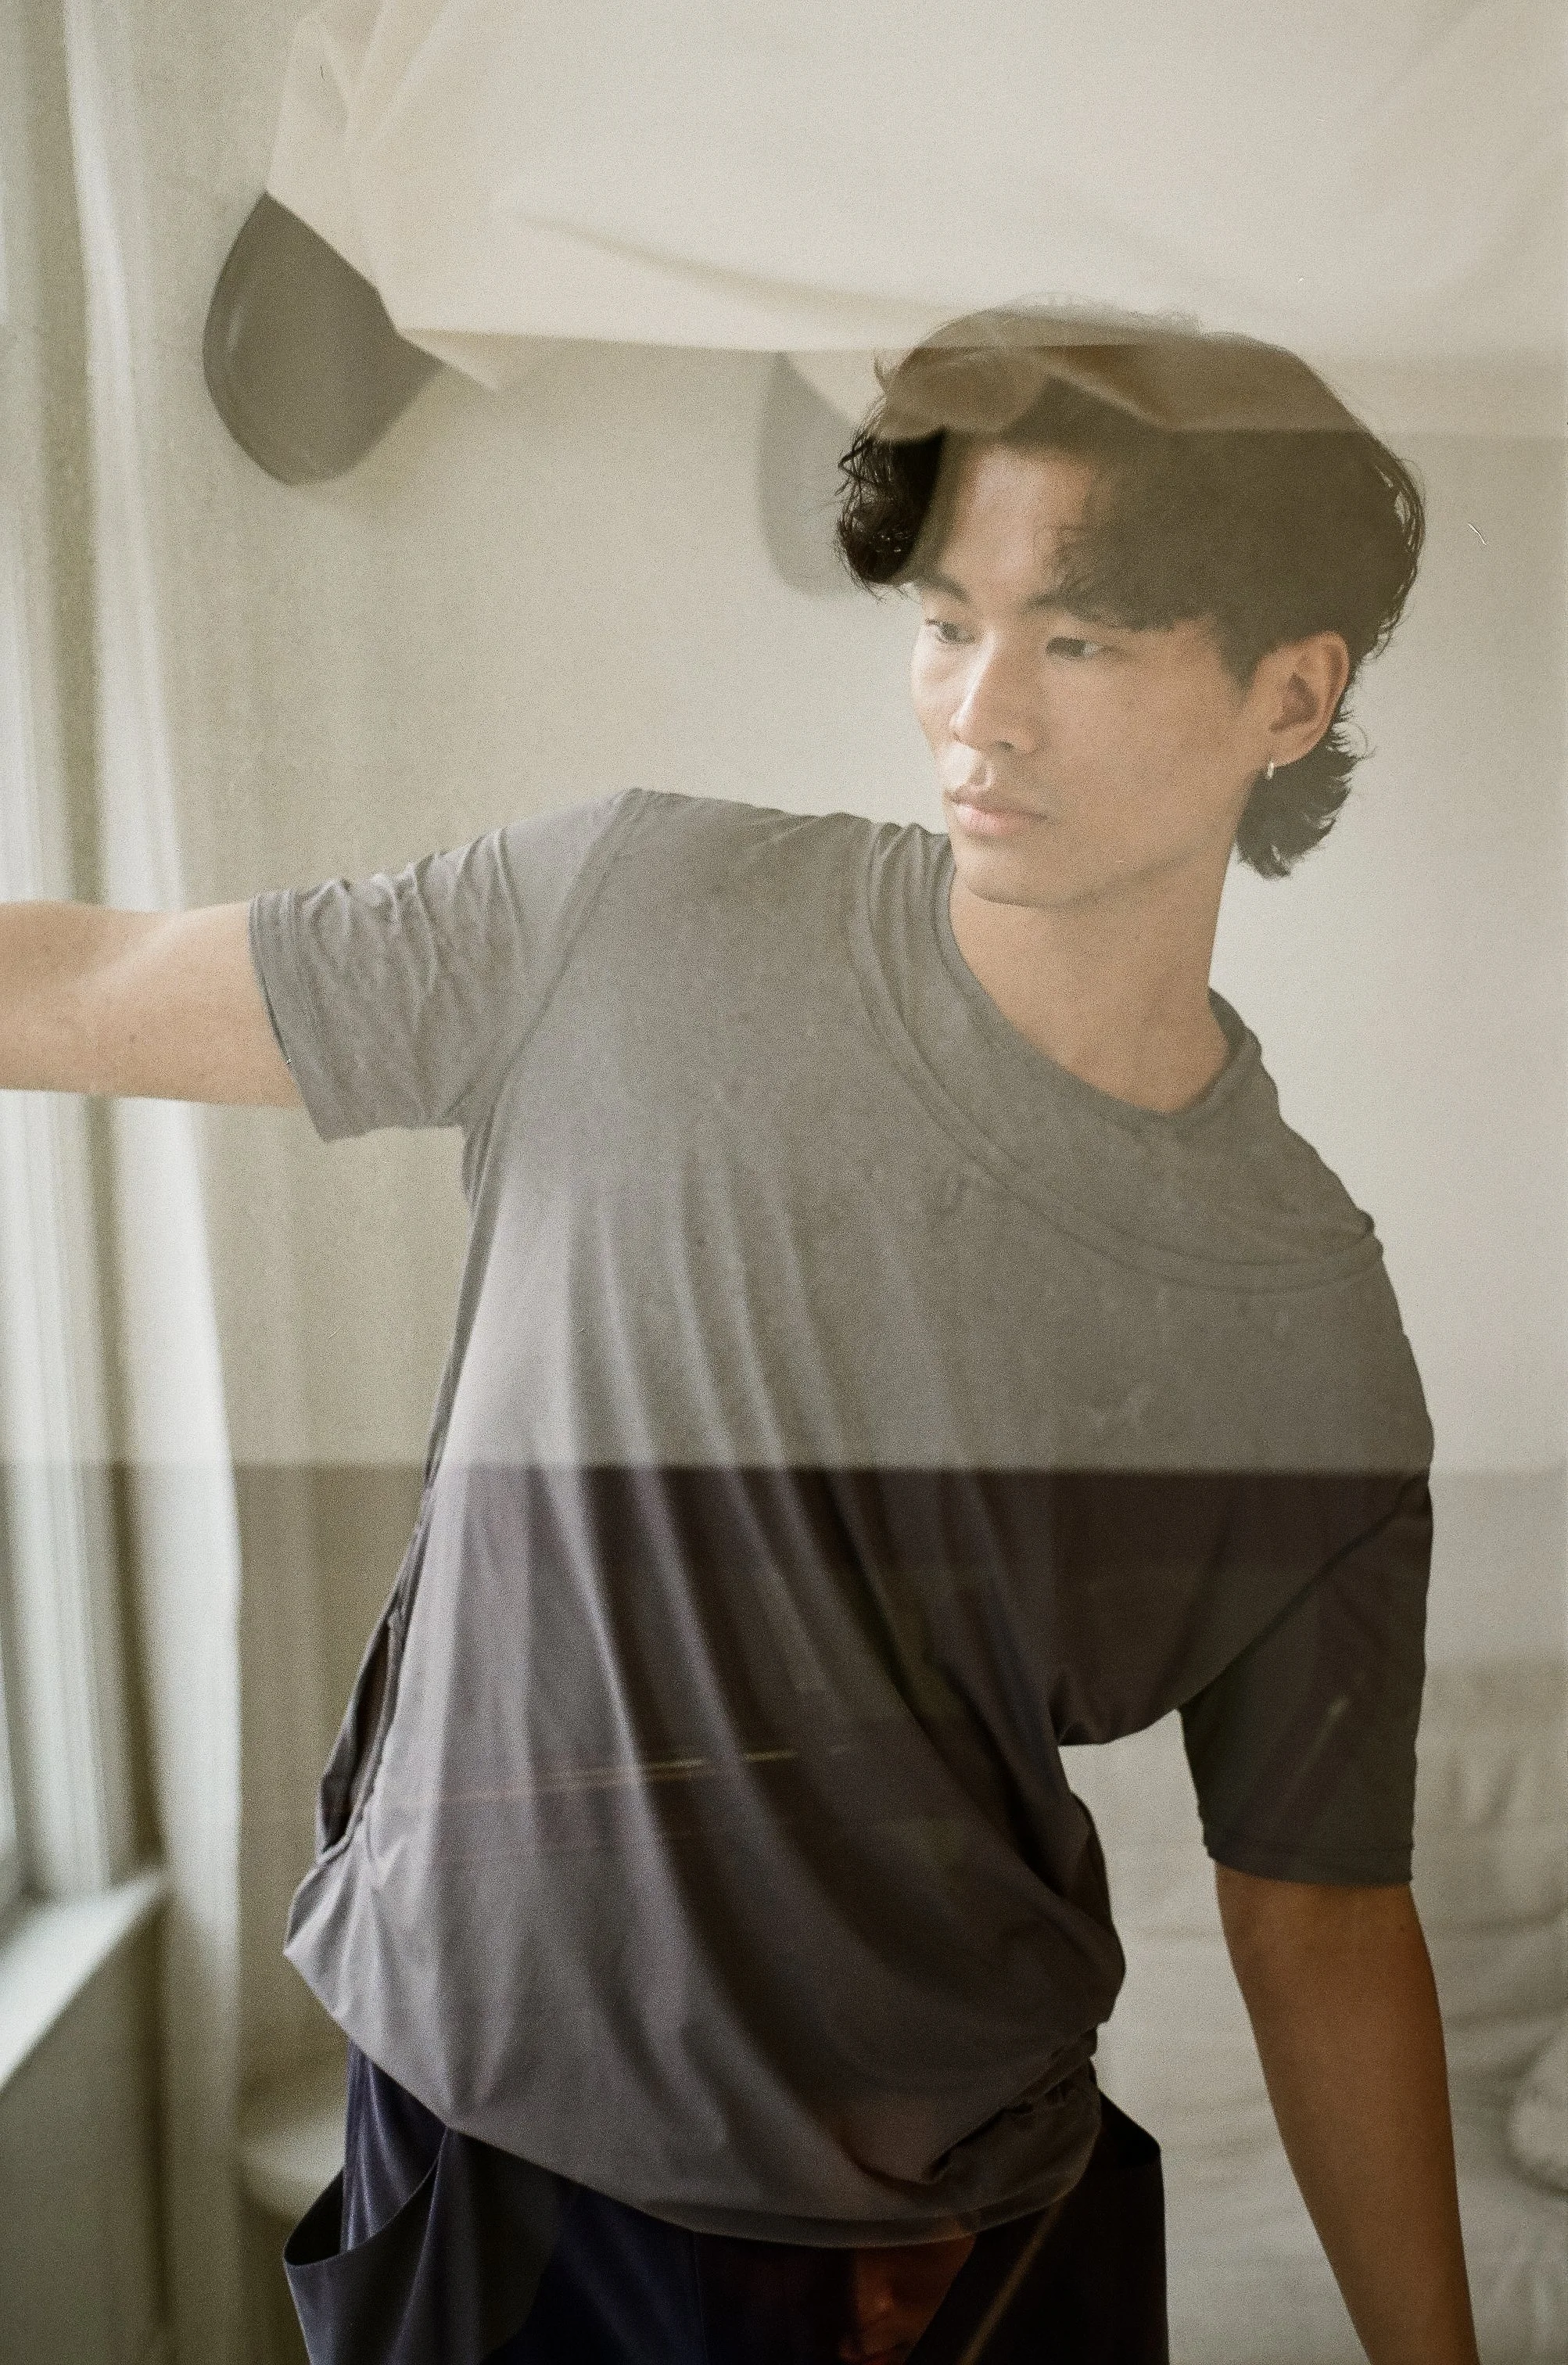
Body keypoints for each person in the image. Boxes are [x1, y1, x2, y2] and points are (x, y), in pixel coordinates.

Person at [0, 307, 1479, 2365]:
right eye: (948, 619)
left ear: (1285, 696)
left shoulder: (1302, 1324)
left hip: (949, 2234)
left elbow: (1315, 1912)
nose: (979, 710)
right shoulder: (630, 915)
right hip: (493, 2153)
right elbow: (89, 988)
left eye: (1075, 638)